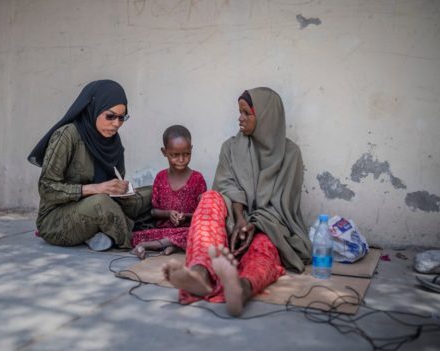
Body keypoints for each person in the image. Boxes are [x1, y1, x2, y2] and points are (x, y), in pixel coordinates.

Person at [162, 87, 312, 316]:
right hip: (231, 221)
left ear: (265, 117)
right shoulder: (231, 147)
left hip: (269, 226)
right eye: (239, 112)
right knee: (210, 198)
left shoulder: (291, 154)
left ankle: (241, 288)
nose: (239, 118)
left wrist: (254, 225)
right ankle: (200, 274)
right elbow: (225, 186)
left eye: (246, 113)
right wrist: (240, 218)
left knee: (264, 248)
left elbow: (284, 205)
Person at [28, 80, 151, 250]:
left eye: (122, 118)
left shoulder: (113, 140)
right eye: (110, 116)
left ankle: (100, 232)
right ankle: (140, 240)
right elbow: (47, 188)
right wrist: (96, 188)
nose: (116, 123)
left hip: (101, 204)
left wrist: (120, 189)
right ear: (94, 108)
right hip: (56, 220)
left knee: (153, 193)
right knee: (101, 204)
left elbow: (113, 185)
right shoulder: (66, 136)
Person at [131, 125, 207, 259]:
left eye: (186, 154)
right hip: (163, 231)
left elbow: (201, 214)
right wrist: (168, 213)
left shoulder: (197, 179)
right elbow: (154, 212)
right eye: (175, 155)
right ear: (164, 152)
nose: (182, 159)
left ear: (191, 149)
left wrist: (186, 216)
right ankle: (172, 244)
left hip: (188, 230)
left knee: (201, 234)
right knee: (135, 236)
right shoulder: (160, 177)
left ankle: (150, 245)